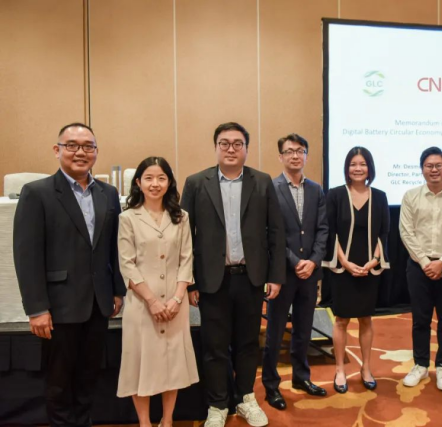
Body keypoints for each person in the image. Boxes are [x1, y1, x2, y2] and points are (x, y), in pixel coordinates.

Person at [13, 123, 125, 427]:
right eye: (72, 145)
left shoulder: (108, 193)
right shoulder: (37, 193)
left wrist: (117, 290)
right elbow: (27, 255)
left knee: (89, 376)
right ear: (57, 150)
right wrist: (36, 308)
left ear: (96, 152)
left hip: (98, 303)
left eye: (88, 146)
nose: (80, 152)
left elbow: (113, 247)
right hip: (59, 304)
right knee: (59, 381)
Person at [180, 122, 286, 427]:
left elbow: (276, 232)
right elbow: (184, 237)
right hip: (212, 280)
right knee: (214, 346)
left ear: (246, 149)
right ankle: (217, 405)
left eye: (237, 144)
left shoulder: (262, 182)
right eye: (224, 143)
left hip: (250, 277)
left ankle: (245, 398)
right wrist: (190, 282)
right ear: (216, 147)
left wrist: (276, 276)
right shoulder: (196, 183)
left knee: (248, 343)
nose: (230, 149)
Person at [117, 157, 199, 427]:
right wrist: (152, 301)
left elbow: (187, 259)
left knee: (172, 364)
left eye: (161, 178)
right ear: (138, 182)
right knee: (140, 363)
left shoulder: (181, 217)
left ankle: (168, 420)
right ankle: (144, 422)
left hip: (175, 302)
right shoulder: (128, 218)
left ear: (169, 182)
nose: (155, 184)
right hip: (142, 303)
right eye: (149, 178)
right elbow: (127, 264)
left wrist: (177, 298)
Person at [262, 134, 329, 410]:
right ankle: (271, 385)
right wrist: (294, 261)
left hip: (309, 273)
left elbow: (322, 230)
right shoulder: (270, 188)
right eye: (289, 151)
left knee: (303, 329)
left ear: (306, 155)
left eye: (300, 151)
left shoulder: (316, 189)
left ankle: (302, 378)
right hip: (282, 273)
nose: (294, 156)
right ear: (280, 156)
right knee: (275, 332)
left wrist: (313, 261)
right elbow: (269, 232)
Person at [323, 146, 390, 394]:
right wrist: (345, 262)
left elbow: (384, 232)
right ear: (347, 168)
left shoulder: (380, 196)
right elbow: (330, 232)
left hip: (369, 268)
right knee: (341, 320)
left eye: (362, 164)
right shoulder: (335, 195)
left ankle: (366, 368)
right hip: (343, 269)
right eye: (353, 164)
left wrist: (374, 261)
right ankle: (340, 369)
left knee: (365, 319)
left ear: (369, 168)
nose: (358, 168)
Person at [399, 146, 442, 391]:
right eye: (429, 166)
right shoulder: (411, 196)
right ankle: (421, 364)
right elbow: (406, 232)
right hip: (419, 267)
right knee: (420, 319)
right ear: (422, 169)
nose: (434, 170)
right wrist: (426, 263)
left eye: (438, 165)